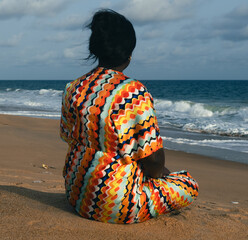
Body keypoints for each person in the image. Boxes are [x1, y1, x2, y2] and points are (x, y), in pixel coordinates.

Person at [60, 9, 198, 224]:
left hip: (76, 194)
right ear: (129, 54)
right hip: (117, 204)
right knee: (188, 183)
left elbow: (69, 137)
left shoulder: (73, 88)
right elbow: (153, 161)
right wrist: (161, 173)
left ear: (95, 49)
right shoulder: (133, 92)